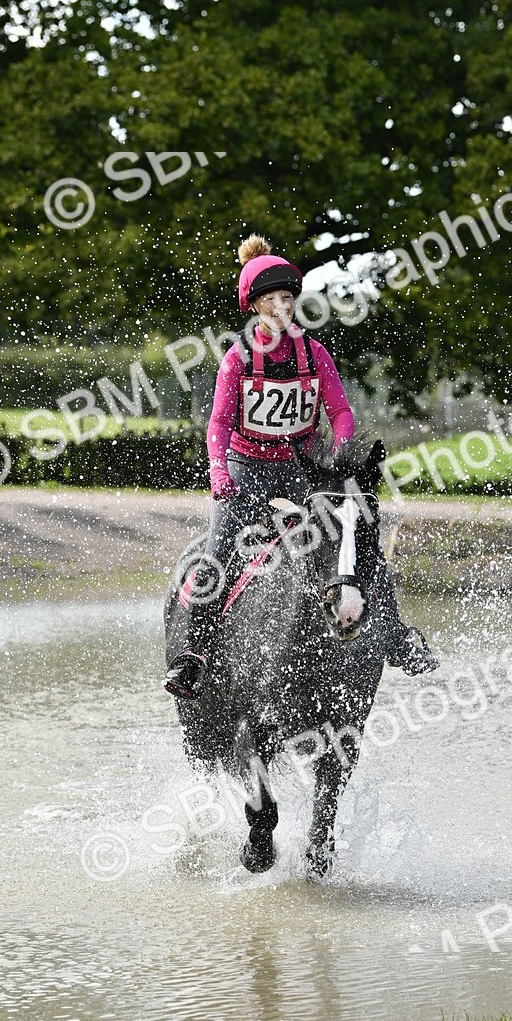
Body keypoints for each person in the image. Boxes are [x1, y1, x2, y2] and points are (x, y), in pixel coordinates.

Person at [163, 234, 439, 700]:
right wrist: (218, 473)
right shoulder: (237, 360)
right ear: (253, 306)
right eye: (270, 299)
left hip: (302, 469)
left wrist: (341, 451)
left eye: (287, 298)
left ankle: (396, 638)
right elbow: (218, 422)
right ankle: (194, 655)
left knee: (360, 532)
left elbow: (341, 412)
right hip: (245, 467)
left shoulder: (314, 354)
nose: (281, 306)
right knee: (217, 553)